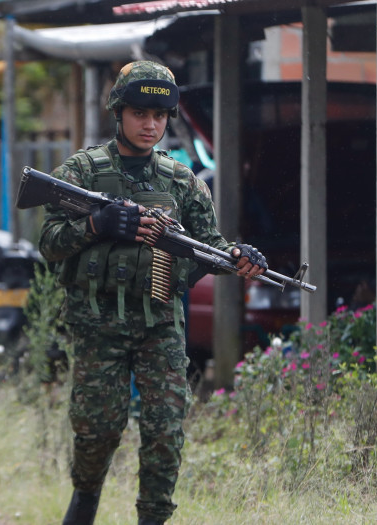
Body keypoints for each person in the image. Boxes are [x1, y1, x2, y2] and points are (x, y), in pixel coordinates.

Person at [39, 61, 266, 525]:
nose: (151, 124)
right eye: (141, 113)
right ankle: (84, 500)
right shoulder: (81, 172)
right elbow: (49, 244)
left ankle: (154, 518)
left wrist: (241, 256)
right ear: (118, 113)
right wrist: (97, 223)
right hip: (98, 321)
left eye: (160, 116)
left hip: (159, 322)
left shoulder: (182, 182)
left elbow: (212, 248)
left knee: (165, 430)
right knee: (98, 428)